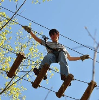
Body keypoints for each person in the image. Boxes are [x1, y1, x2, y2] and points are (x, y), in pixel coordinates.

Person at [22, 26, 90, 81]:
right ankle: (41, 70)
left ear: (58, 34)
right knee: (48, 56)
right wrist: (30, 32)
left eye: (53, 34)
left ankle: (65, 75)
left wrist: (81, 57)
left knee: (63, 56)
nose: (52, 36)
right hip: (52, 55)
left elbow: (70, 58)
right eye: (51, 35)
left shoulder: (62, 47)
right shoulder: (48, 43)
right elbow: (38, 39)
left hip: (61, 55)